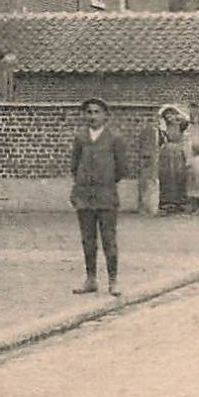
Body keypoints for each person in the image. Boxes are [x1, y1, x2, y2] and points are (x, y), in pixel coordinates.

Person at [70, 97, 128, 296]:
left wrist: (106, 182)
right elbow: (74, 165)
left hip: (106, 196)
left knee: (108, 239)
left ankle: (113, 281)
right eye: (89, 112)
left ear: (106, 116)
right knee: (88, 239)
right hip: (84, 196)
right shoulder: (80, 138)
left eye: (97, 112)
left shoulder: (115, 138)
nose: (92, 116)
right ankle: (91, 279)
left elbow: (122, 168)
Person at [155, 104, 192, 214]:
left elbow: (187, 119)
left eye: (171, 114)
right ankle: (167, 202)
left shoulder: (180, 125)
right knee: (166, 176)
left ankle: (179, 201)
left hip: (178, 152)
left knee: (179, 175)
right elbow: (159, 141)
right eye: (167, 115)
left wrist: (177, 112)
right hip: (166, 153)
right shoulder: (162, 128)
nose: (169, 117)